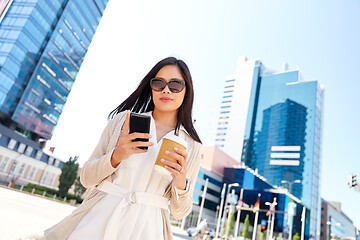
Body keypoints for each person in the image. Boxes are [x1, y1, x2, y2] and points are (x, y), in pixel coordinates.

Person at [44, 57, 202, 240]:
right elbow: (86, 178)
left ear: (186, 90)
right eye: (158, 83)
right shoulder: (122, 121)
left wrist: (180, 182)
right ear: (151, 88)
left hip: (148, 229)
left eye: (175, 85)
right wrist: (116, 156)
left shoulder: (191, 144)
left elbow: (180, 212)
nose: (166, 89)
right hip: (98, 220)